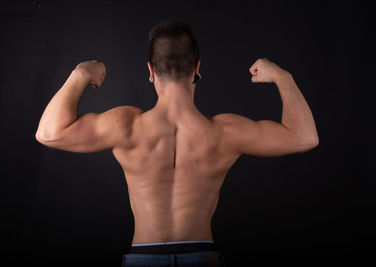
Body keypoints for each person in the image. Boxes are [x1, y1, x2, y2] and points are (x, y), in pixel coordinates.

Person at [35, 19, 319, 267]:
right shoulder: (225, 131)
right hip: (201, 255)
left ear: (150, 71)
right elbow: (304, 136)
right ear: (197, 68)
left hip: (142, 257)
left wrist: (81, 74)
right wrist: (284, 77)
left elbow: (48, 132)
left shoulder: (126, 126)